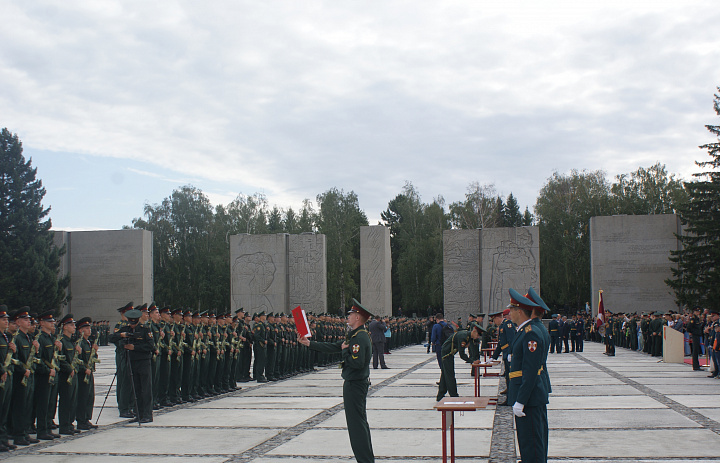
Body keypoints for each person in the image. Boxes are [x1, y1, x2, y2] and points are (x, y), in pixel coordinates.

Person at [298, 299, 375, 463]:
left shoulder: (360, 337)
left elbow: (357, 363)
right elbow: (334, 346)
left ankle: (365, 460)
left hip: (355, 384)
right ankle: (366, 459)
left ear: (358, 318)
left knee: (356, 426)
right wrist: (309, 343)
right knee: (359, 423)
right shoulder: (355, 335)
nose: (349, 316)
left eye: (351, 314)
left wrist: (344, 353)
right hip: (355, 384)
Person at [506, 288, 549, 463]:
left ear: (519, 311)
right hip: (529, 396)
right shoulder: (524, 331)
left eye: (511, 309)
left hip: (528, 399)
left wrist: (521, 400)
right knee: (528, 443)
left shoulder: (530, 332)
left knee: (531, 445)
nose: (509, 313)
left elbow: (530, 372)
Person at [116, 309, 155, 423]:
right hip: (131, 361)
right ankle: (139, 413)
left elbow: (150, 346)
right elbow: (112, 338)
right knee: (136, 389)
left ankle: (147, 414)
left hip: (143, 361)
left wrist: (135, 348)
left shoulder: (145, 330)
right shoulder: (125, 329)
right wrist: (122, 336)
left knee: (146, 389)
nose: (132, 325)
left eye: (134, 322)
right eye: (130, 322)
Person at [436, 324, 482, 402]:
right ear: (474, 331)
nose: (477, 337)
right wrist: (472, 361)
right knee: (450, 374)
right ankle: (454, 395)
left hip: (450, 352)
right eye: (477, 335)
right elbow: (462, 354)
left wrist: (474, 359)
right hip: (447, 353)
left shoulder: (469, 336)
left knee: (445, 374)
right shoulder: (463, 337)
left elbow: (473, 349)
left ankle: (440, 395)